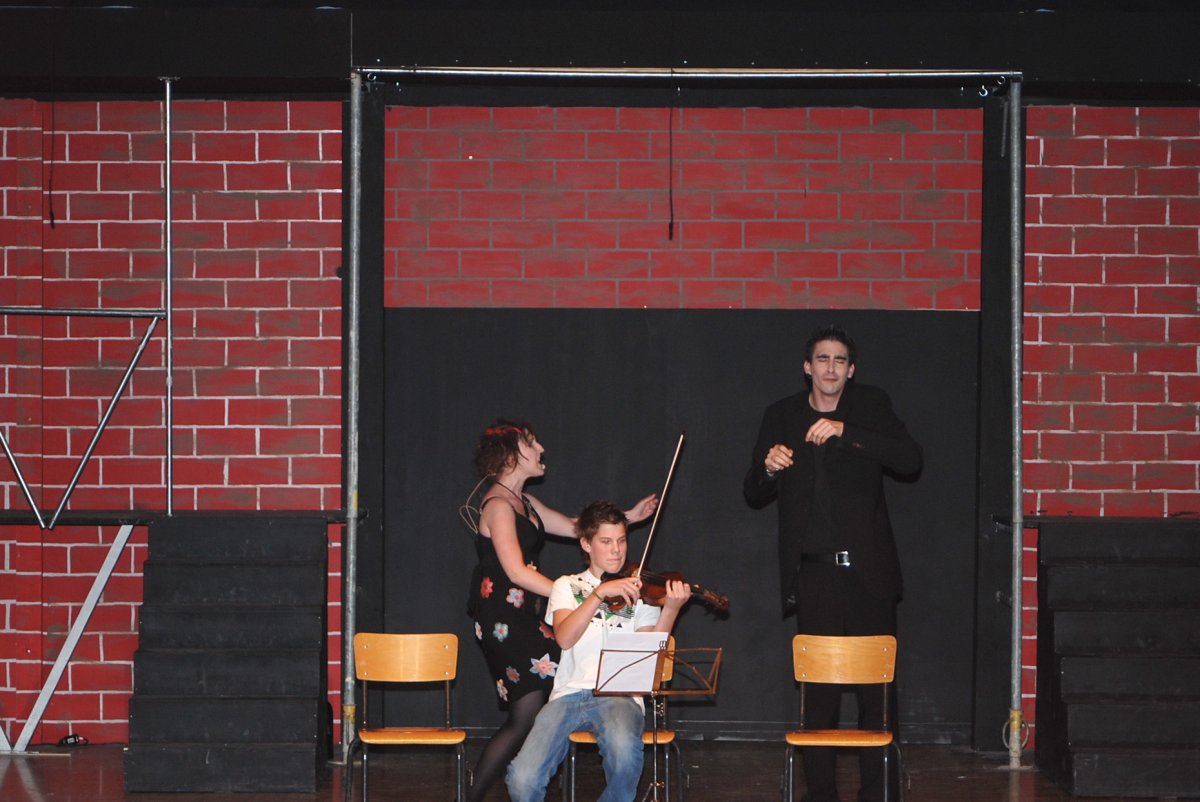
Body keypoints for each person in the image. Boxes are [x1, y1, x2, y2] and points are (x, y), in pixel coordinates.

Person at [743, 325, 922, 802]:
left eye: (839, 360)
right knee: (818, 696)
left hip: (870, 574)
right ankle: (820, 793)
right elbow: (753, 491)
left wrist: (846, 432)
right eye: (822, 359)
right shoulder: (781, 415)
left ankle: (877, 794)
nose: (830, 368)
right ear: (808, 367)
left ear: (851, 370)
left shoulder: (871, 406)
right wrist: (768, 468)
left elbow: (910, 460)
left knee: (875, 695)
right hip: (815, 573)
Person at [465, 421, 658, 801]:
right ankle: (474, 795)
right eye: (531, 443)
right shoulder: (498, 505)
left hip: (527, 615)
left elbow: (577, 528)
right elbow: (516, 571)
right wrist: (577, 592)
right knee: (525, 712)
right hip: (503, 619)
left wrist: (628, 517)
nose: (541, 449)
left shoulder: (527, 502)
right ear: (511, 454)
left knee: (546, 695)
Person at [506, 500, 689, 802]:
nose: (616, 550)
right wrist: (598, 594)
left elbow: (649, 657)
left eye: (621, 540)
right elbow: (565, 638)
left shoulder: (640, 592)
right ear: (586, 544)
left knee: (625, 758)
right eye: (606, 541)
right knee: (522, 779)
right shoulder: (567, 585)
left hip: (620, 696)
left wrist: (670, 610)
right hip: (567, 695)